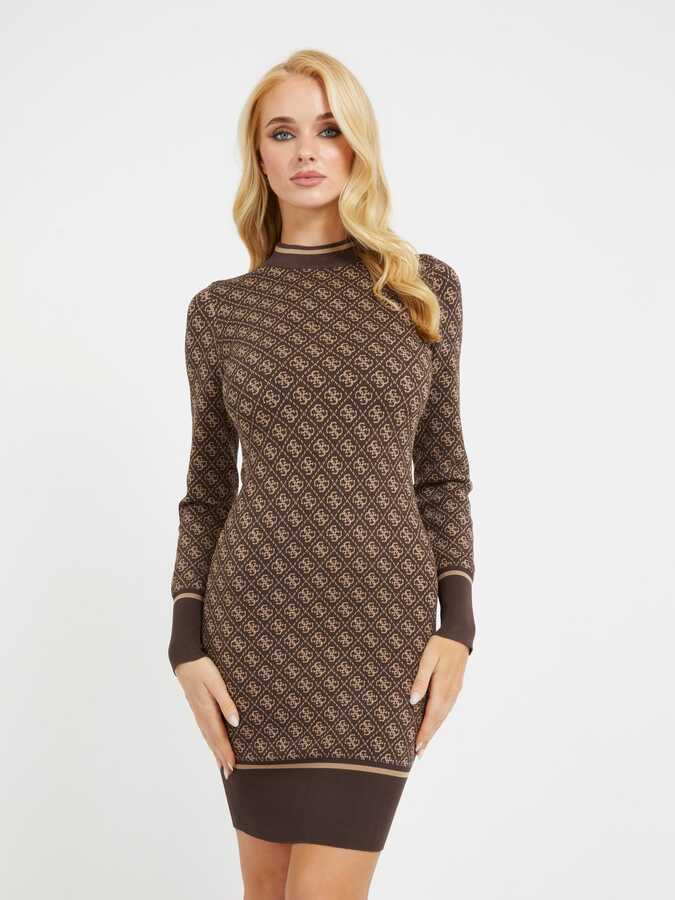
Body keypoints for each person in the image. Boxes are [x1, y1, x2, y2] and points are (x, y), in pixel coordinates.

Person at [168, 48, 476, 899]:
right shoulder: (221, 311)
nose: (307, 149)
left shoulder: (422, 290)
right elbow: (207, 491)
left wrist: (458, 625)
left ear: (357, 146)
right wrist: (184, 641)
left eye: (329, 128)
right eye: (283, 132)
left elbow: (442, 472)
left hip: (379, 634)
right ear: (259, 156)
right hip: (251, 630)